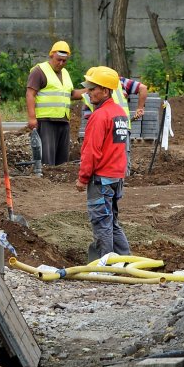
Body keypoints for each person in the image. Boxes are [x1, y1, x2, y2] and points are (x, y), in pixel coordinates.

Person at [75, 65, 133, 263]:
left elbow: (91, 151)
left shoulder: (99, 116)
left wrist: (83, 178)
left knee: (102, 223)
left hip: (101, 179)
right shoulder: (119, 113)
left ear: (106, 91)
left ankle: (106, 264)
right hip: (116, 176)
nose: (88, 93)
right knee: (111, 222)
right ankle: (125, 260)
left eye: (93, 89)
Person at [26, 40, 76, 167]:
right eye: (58, 60)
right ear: (51, 55)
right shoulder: (39, 71)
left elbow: (71, 94)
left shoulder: (65, 73)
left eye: (64, 61)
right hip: (46, 121)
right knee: (47, 159)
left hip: (63, 121)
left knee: (62, 161)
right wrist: (32, 118)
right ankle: (46, 183)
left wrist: (89, 90)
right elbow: (30, 94)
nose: (61, 63)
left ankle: (58, 185)